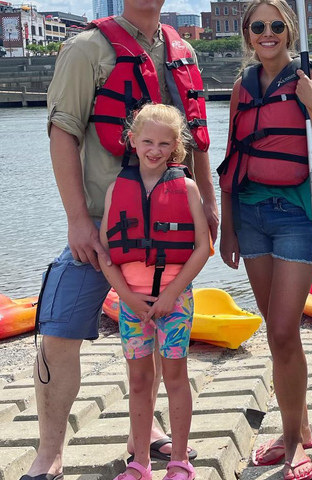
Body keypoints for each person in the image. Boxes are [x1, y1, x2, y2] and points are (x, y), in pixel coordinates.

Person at [21, 0, 219, 479]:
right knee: (59, 329)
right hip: (104, 228)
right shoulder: (87, 49)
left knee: (155, 332)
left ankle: (148, 437)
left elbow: (192, 140)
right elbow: (62, 130)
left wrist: (211, 206)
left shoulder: (183, 52)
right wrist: (76, 220)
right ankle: (50, 451)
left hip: (171, 234)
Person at [217, 0, 312, 480]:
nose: (266, 34)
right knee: (277, 334)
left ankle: (293, 442)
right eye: (256, 27)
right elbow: (231, 161)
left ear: (289, 30)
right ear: (247, 34)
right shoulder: (240, 88)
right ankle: (302, 424)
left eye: (275, 26)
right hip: (250, 216)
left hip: (297, 216)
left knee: (282, 330)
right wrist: (227, 226)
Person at [100, 104, 210, 480]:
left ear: (176, 146)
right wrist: (126, 297)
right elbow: (105, 252)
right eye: (147, 140)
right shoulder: (119, 188)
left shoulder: (187, 187)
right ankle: (141, 463)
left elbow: (201, 247)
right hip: (131, 305)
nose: (155, 149)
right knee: (139, 381)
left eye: (164, 143)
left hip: (174, 302)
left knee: (176, 377)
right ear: (132, 140)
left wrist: (170, 295)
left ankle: (180, 461)